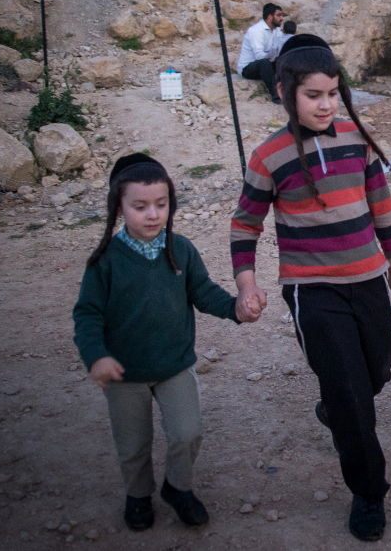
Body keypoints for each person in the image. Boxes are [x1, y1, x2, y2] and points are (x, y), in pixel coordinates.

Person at [230, 34, 391, 542]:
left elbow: (381, 205)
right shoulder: (269, 156)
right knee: (353, 396)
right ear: (285, 94)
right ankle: (368, 491)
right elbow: (245, 225)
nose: (326, 104)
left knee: (376, 371)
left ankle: (335, 405)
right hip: (312, 292)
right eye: (314, 95)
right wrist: (246, 282)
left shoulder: (356, 136)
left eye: (333, 92)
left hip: (369, 279)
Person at [73, 154, 257, 532]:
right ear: (119, 207)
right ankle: (138, 496)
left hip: (175, 364)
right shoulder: (105, 261)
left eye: (161, 204)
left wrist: (236, 309)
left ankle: (178, 487)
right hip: (125, 372)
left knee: (188, 432)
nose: (152, 214)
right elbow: (87, 315)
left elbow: (203, 292)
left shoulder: (182, 249)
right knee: (134, 444)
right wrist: (97, 357)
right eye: (139, 207)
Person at [237, 3, 285, 103]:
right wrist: (273, 54)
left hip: (267, 62)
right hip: (249, 67)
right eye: (279, 15)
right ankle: (276, 96)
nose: (282, 18)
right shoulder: (256, 31)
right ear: (269, 17)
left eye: (282, 15)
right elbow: (259, 56)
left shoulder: (277, 30)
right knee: (265, 63)